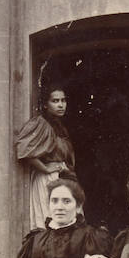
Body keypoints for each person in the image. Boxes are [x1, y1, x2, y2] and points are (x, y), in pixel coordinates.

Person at [14, 83, 77, 231]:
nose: (61, 105)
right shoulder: (41, 124)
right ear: (45, 105)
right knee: (49, 223)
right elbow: (24, 149)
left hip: (61, 177)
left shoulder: (59, 126)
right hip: (47, 180)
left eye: (63, 100)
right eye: (55, 101)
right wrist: (45, 168)